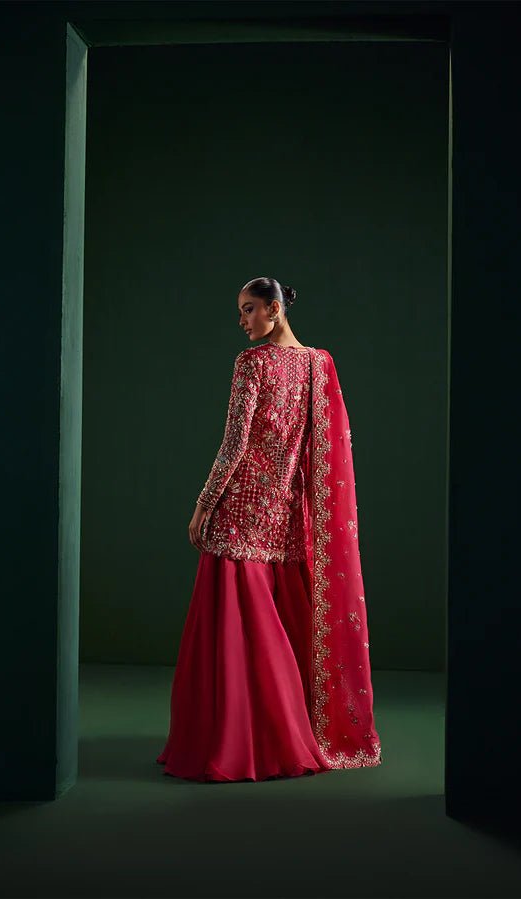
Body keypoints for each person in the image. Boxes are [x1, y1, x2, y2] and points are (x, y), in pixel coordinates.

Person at [156, 277, 382, 782]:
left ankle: (238, 741)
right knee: (277, 623)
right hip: (288, 511)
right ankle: (286, 734)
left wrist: (203, 504)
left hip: (241, 511)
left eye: (249, 309)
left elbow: (235, 443)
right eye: (241, 311)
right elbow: (316, 449)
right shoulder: (318, 364)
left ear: (275, 309)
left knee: (235, 636)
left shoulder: (251, 363)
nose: (242, 321)